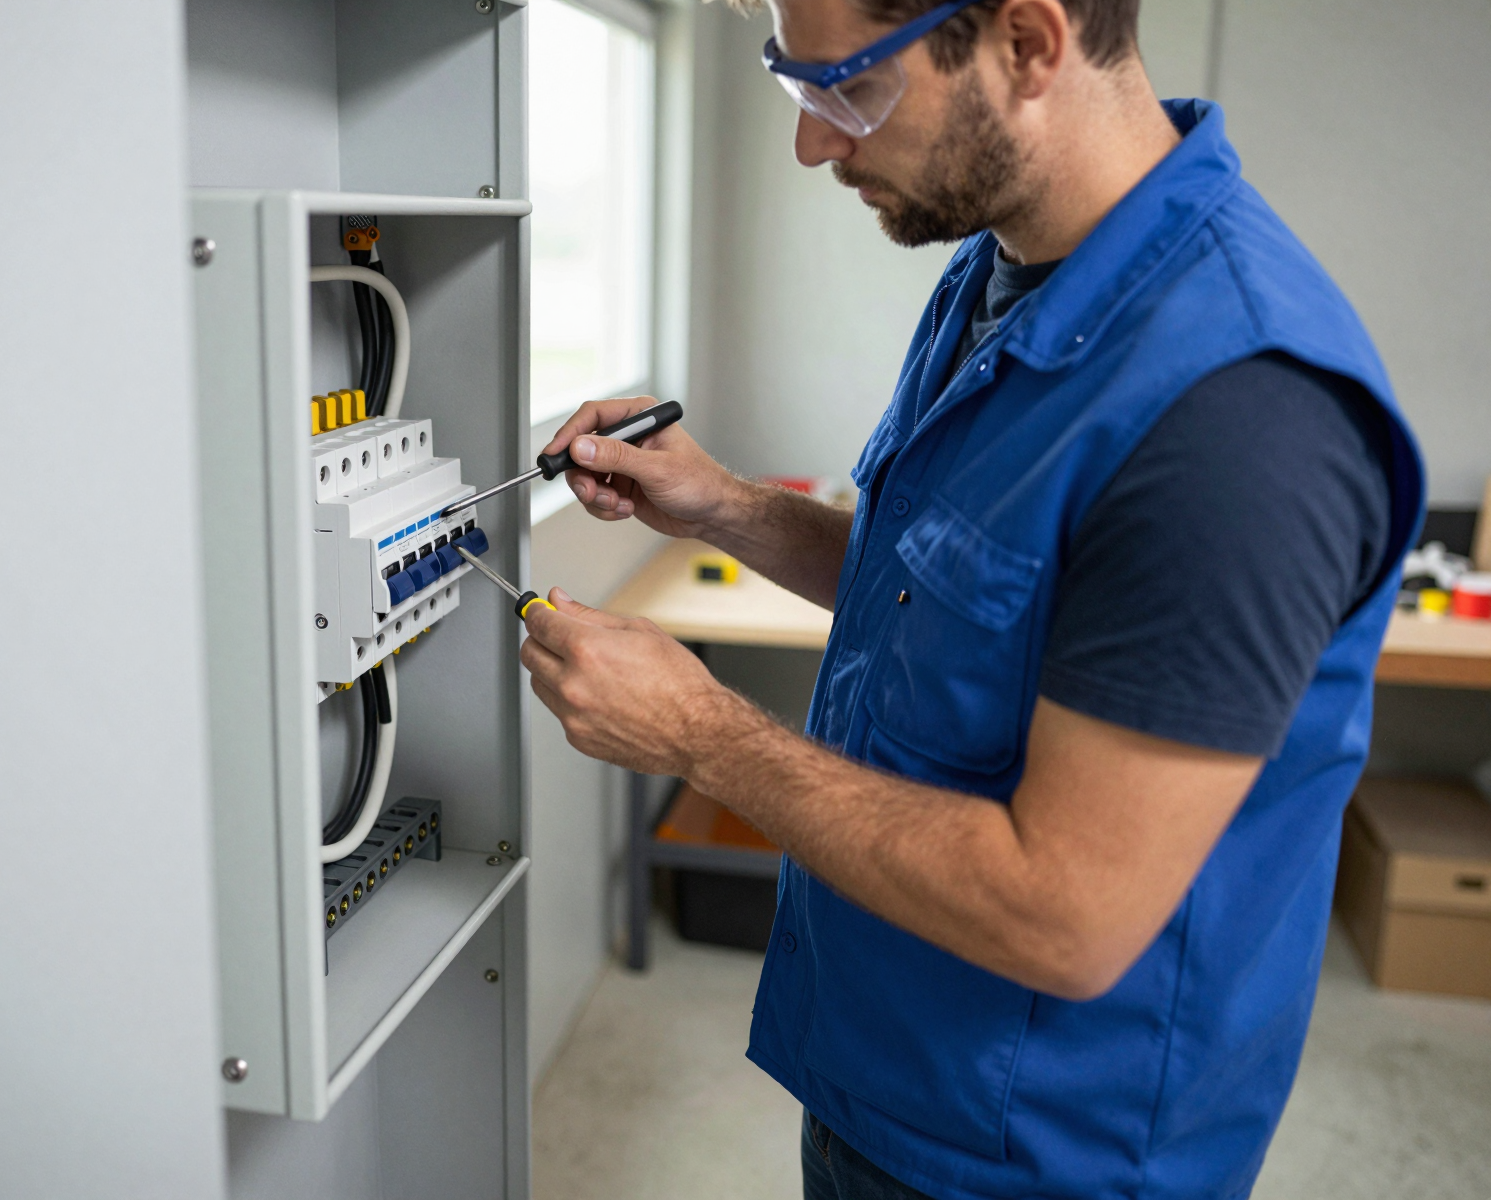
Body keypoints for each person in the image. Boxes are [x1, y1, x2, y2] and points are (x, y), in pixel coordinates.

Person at [520, 0, 1424, 1195]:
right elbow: (949, 611)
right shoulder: (1001, 273)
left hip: (1036, 1157)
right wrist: (725, 506)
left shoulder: (1238, 415)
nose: (811, 146)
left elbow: (1066, 915)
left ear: (1028, 41)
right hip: (882, 1071)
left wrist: (699, 733)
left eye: (840, 89)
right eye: (792, 85)